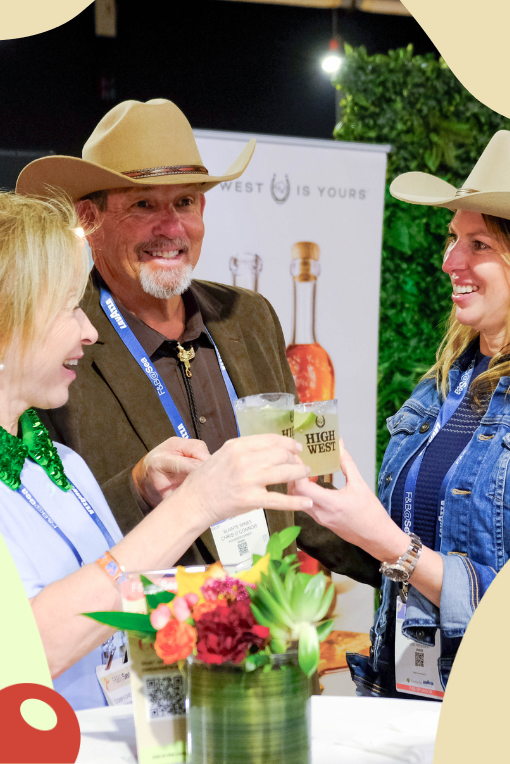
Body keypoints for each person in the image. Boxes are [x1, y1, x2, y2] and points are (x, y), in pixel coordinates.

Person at [16, 97, 379, 584]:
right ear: (89, 219)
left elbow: (307, 478)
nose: (171, 228)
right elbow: (38, 524)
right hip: (145, 645)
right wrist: (138, 490)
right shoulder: (52, 338)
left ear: (203, 208)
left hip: (271, 631)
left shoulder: (249, 316)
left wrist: (409, 569)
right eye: (143, 205)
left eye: (184, 202)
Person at [0, 191, 313, 711]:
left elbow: (120, 608)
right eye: (66, 310)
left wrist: (255, 620)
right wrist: (197, 507)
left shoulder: (62, 466)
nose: (88, 330)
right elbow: (25, 647)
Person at [290, 129, 510, 698]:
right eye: (452, 237)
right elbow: (403, 529)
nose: (449, 261)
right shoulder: (444, 384)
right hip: (403, 692)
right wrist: (316, 506)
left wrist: (393, 547)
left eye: (478, 244)